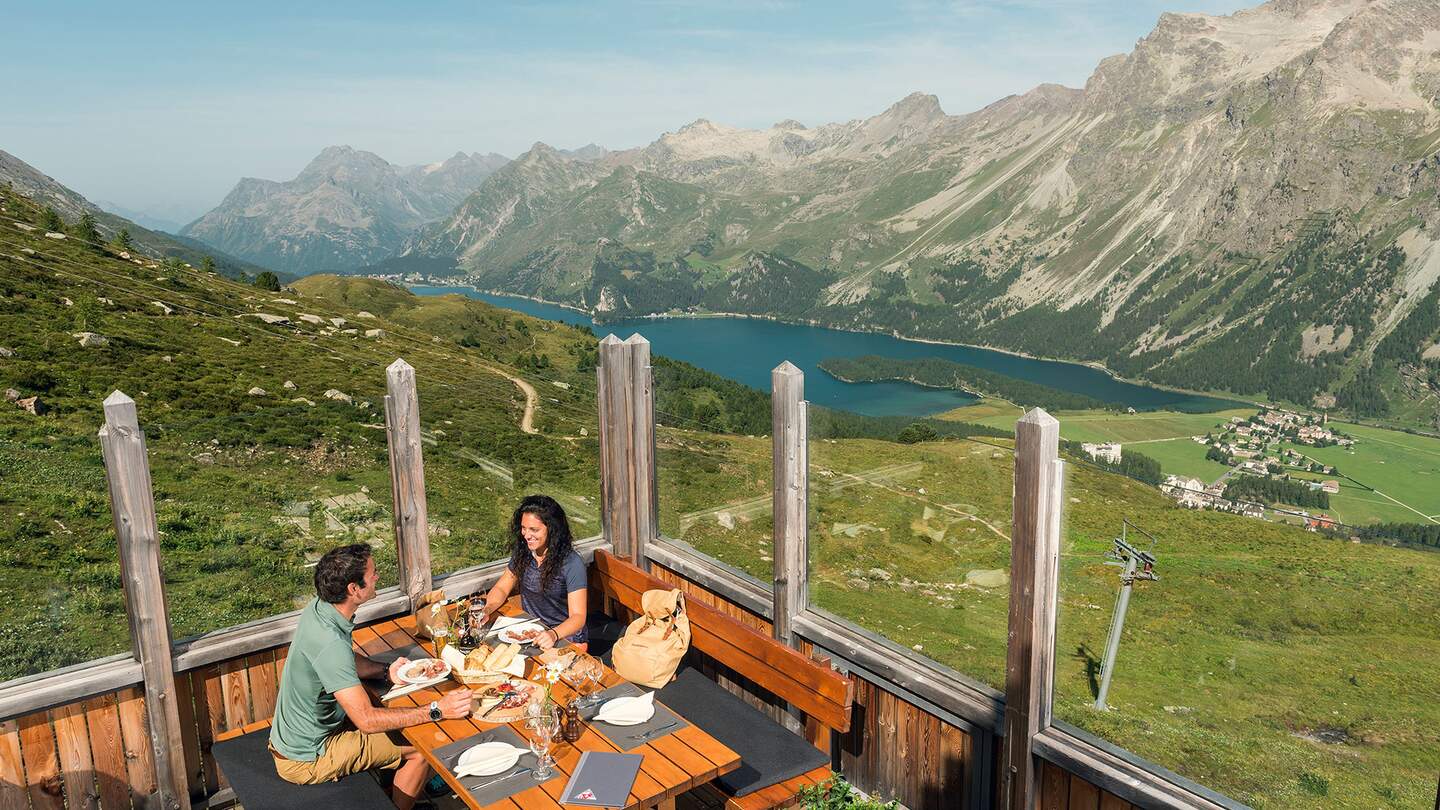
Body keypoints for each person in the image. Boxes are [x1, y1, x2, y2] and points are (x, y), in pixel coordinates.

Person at [269, 543, 471, 810]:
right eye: (372, 573)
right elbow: (366, 720)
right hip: (307, 757)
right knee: (424, 750)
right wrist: (437, 710)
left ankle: (396, 787)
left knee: (402, 722)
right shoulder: (330, 642)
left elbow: (343, 661)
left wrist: (385, 672)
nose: (377, 577)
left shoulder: (319, 610)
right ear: (354, 589)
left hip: (295, 738)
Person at [478, 494, 589, 652]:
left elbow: (578, 617)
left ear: (552, 529)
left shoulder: (571, 563)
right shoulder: (524, 552)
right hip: (530, 631)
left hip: (564, 636)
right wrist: (487, 610)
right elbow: (502, 587)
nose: (526, 535)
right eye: (523, 528)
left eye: (534, 530)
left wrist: (553, 634)